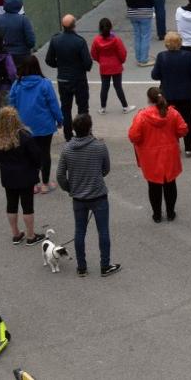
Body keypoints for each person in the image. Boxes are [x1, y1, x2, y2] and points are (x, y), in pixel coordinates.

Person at [57, 114, 119, 277]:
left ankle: (81, 267)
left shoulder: (67, 149)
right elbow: (106, 169)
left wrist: (70, 187)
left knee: (80, 231)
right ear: (90, 128)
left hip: (78, 198)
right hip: (98, 196)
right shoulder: (99, 146)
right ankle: (105, 265)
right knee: (103, 231)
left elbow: (60, 175)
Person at [129, 88, 188, 223]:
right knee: (170, 184)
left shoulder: (142, 116)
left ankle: (157, 215)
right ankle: (170, 212)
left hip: (150, 157)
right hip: (170, 154)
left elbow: (134, 136)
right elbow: (183, 129)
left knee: (153, 186)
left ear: (149, 99)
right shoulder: (172, 113)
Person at [0, 106, 43, 245]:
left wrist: (4, 165)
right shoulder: (24, 136)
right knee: (27, 206)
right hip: (25, 176)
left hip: (7, 176)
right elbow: (36, 157)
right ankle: (31, 235)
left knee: (11, 204)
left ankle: (16, 234)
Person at [7, 56, 61, 194]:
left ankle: (34, 184)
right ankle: (45, 183)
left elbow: (11, 104)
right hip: (44, 125)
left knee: (28, 155)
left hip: (24, 126)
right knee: (45, 153)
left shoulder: (17, 85)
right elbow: (53, 104)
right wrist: (60, 120)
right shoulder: (45, 83)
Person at [151, 32, 191, 156]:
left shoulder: (161, 56)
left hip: (167, 95)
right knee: (187, 122)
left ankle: (173, 146)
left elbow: (154, 75)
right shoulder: (187, 56)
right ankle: (189, 148)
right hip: (185, 95)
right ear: (179, 43)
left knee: (169, 122)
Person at [44, 14, 93, 141]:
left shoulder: (55, 40)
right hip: (79, 79)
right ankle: (85, 133)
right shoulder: (79, 41)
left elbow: (49, 60)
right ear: (74, 25)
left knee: (66, 107)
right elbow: (88, 63)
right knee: (82, 107)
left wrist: (59, 66)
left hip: (63, 79)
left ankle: (68, 135)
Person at [120, 0, 156, 67]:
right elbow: (151, 0)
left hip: (132, 13)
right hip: (144, 13)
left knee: (137, 35)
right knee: (145, 36)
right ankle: (143, 59)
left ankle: (139, 57)